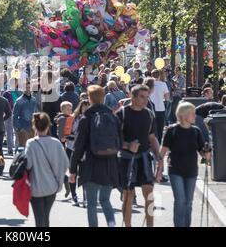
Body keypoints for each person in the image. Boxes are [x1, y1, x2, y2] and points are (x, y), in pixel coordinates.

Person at [69, 86, 121, 227]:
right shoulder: (112, 116)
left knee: (92, 204)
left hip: (90, 165)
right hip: (110, 165)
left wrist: (72, 170)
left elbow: (78, 147)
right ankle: (111, 225)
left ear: (89, 98)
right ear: (103, 97)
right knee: (105, 201)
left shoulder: (86, 118)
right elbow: (119, 142)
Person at [157, 102, 211, 227]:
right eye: (192, 113)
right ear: (183, 115)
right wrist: (159, 170)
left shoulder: (196, 131)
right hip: (175, 170)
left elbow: (204, 153)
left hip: (191, 171)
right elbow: (163, 151)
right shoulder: (172, 130)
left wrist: (207, 152)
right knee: (180, 201)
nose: (195, 116)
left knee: (188, 202)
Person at [116, 85, 161, 227]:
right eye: (142, 97)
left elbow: (152, 137)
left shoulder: (149, 114)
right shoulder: (121, 114)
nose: (146, 100)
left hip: (145, 159)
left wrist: (159, 159)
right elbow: (113, 140)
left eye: (147, 97)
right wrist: (128, 146)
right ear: (132, 97)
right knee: (128, 196)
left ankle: (150, 225)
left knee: (149, 194)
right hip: (125, 159)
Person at [25, 112, 69, 227]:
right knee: (46, 216)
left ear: (34, 125)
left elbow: (28, 165)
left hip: (36, 187)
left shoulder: (31, 143)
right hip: (52, 186)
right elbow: (65, 164)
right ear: (48, 125)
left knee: (39, 218)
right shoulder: (56, 143)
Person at [13, 81, 39, 149]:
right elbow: (15, 116)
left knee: (32, 148)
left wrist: (37, 126)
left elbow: (36, 113)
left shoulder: (34, 99)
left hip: (32, 128)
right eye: (26, 88)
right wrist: (20, 128)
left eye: (29, 87)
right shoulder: (19, 101)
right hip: (23, 127)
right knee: (22, 149)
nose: (28, 89)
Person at [2, 78, 22, 155]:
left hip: (13, 114)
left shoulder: (9, 93)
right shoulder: (18, 92)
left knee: (12, 132)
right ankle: (13, 149)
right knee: (13, 132)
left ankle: (13, 149)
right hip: (13, 114)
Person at [150, 70, 170, 144]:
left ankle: (152, 142)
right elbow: (167, 97)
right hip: (161, 108)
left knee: (151, 127)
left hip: (151, 108)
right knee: (160, 127)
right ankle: (158, 142)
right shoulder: (163, 84)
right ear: (159, 75)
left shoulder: (149, 84)